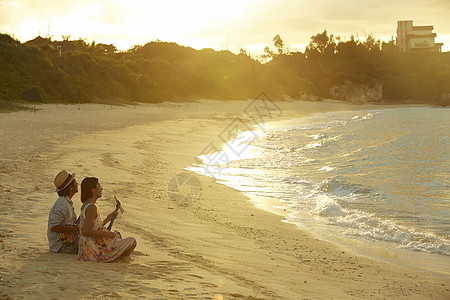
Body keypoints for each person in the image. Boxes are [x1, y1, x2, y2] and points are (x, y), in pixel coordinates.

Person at [78, 177, 136, 262]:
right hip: (92, 251)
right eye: (99, 185)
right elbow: (85, 231)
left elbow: (93, 227)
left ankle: (117, 257)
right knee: (132, 241)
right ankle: (119, 259)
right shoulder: (91, 207)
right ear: (93, 190)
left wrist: (108, 218)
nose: (101, 188)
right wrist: (106, 234)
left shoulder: (88, 205)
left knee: (117, 235)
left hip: (88, 248)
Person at [47, 170, 79, 254]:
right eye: (75, 182)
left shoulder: (66, 202)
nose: (77, 183)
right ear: (70, 188)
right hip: (61, 247)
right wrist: (75, 229)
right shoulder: (62, 204)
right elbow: (53, 226)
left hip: (67, 243)